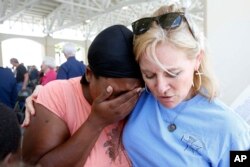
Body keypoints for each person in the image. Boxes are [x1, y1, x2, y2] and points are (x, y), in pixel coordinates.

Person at [122, 4, 250, 167]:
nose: (161, 88)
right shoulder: (137, 99)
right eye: (149, 75)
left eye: (173, 73)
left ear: (197, 59)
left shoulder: (231, 130)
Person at [22, 25, 143, 167]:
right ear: (89, 74)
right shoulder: (59, 95)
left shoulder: (144, 96)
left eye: (131, 93)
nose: (122, 101)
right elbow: (33, 164)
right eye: (114, 93)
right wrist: (96, 122)